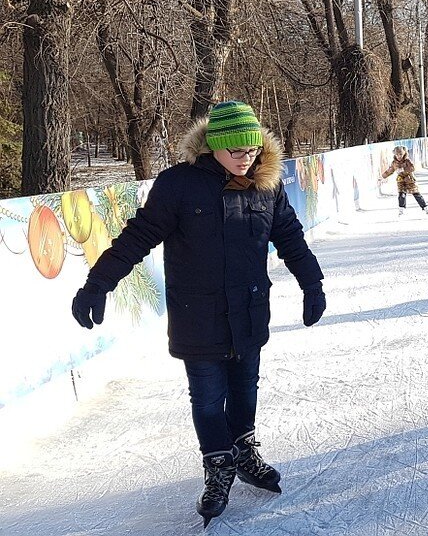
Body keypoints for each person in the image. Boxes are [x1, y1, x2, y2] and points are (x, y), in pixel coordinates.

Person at [70, 101, 326, 526]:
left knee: (245, 388)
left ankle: (243, 451)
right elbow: (137, 238)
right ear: (213, 146)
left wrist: (312, 283)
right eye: (236, 150)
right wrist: (98, 284)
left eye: (252, 150)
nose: (246, 158)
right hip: (197, 313)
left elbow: (290, 237)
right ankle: (219, 464)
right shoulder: (178, 185)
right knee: (207, 398)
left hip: (248, 309)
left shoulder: (266, 185)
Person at [381, 145, 428, 216]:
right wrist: (383, 177)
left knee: (416, 194)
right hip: (401, 180)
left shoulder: (407, 161)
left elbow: (412, 168)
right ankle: (401, 209)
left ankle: (425, 207)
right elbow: (390, 170)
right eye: (397, 154)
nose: (399, 156)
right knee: (401, 195)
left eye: (400, 154)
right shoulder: (394, 163)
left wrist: (404, 169)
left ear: (404, 153)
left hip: (409, 179)